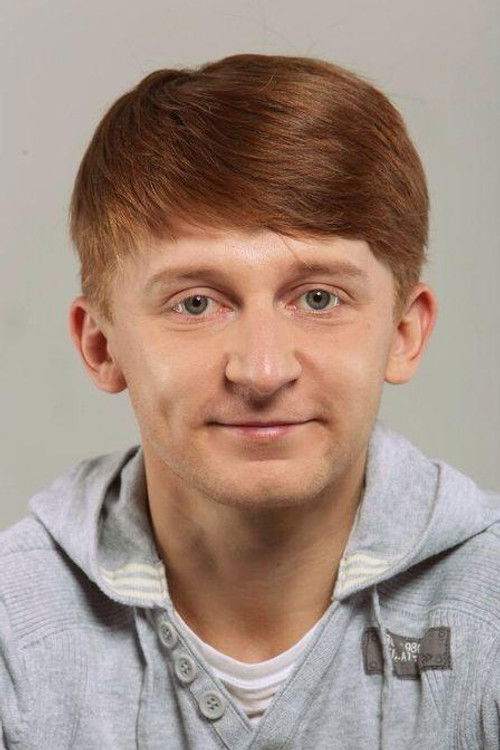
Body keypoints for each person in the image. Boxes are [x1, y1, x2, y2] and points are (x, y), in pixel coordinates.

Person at [1, 53, 499, 750]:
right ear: (101, 345)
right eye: (196, 303)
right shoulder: (13, 628)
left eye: (319, 298)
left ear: (404, 333)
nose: (262, 371)